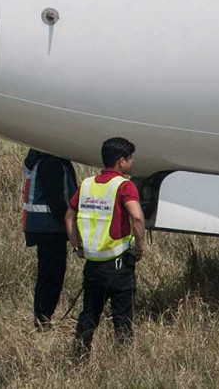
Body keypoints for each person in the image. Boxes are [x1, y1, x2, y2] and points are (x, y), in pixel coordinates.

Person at [65, 137, 146, 357]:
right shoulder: (124, 186)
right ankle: (124, 362)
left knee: (89, 314)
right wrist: (139, 248)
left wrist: (77, 247)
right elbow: (137, 218)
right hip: (119, 265)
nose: (131, 163)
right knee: (122, 319)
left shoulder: (87, 185)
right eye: (130, 159)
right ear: (121, 161)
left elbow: (69, 217)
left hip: (92, 264)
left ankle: (79, 357)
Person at [22, 149, 78, 329]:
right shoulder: (53, 163)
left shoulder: (40, 160)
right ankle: (42, 321)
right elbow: (58, 201)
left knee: (48, 275)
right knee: (51, 276)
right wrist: (73, 226)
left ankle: (42, 319)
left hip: (41, 227)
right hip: (51, 229)